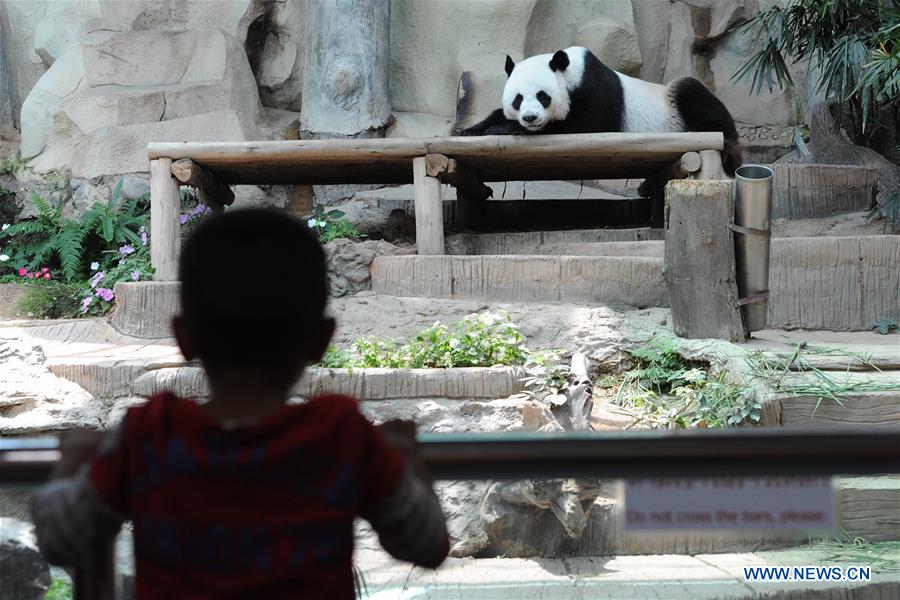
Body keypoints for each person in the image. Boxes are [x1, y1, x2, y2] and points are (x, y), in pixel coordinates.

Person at [31, 208, 449, 598]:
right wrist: (406, 459)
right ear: (321, 341)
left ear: (183, 338)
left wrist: (72, 462)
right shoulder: (341, 434)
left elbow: (61, 541)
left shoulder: (150, 434)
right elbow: (426, 545)